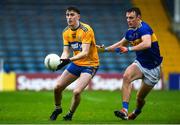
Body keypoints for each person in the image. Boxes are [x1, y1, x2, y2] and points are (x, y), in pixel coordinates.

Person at [97, 7, 163, 120]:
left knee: (139, 98)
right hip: (140, 64)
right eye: (127, 18)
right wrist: (105, 50)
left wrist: (129, 49)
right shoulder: (130, 31)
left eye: (131, 18)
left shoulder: (145, 29)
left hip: (153, 68)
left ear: (139, 17)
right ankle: (124, 110)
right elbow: (120, 44)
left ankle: (136, 112)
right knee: (126, 76)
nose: (128, 20)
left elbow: (147, 44)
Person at [50, 6, 99, 121]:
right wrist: (61, 61)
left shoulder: (86, 30)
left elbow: (85, 52)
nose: (69, 17)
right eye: (67, 15)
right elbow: (66, 51)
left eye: (72, 15)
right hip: (76, 63)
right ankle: (57, 108)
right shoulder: (66, 32)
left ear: (78, 16)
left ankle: (70, 114)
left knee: (76, 92)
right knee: (57, 87)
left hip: (90, 64)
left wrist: (69, 60)